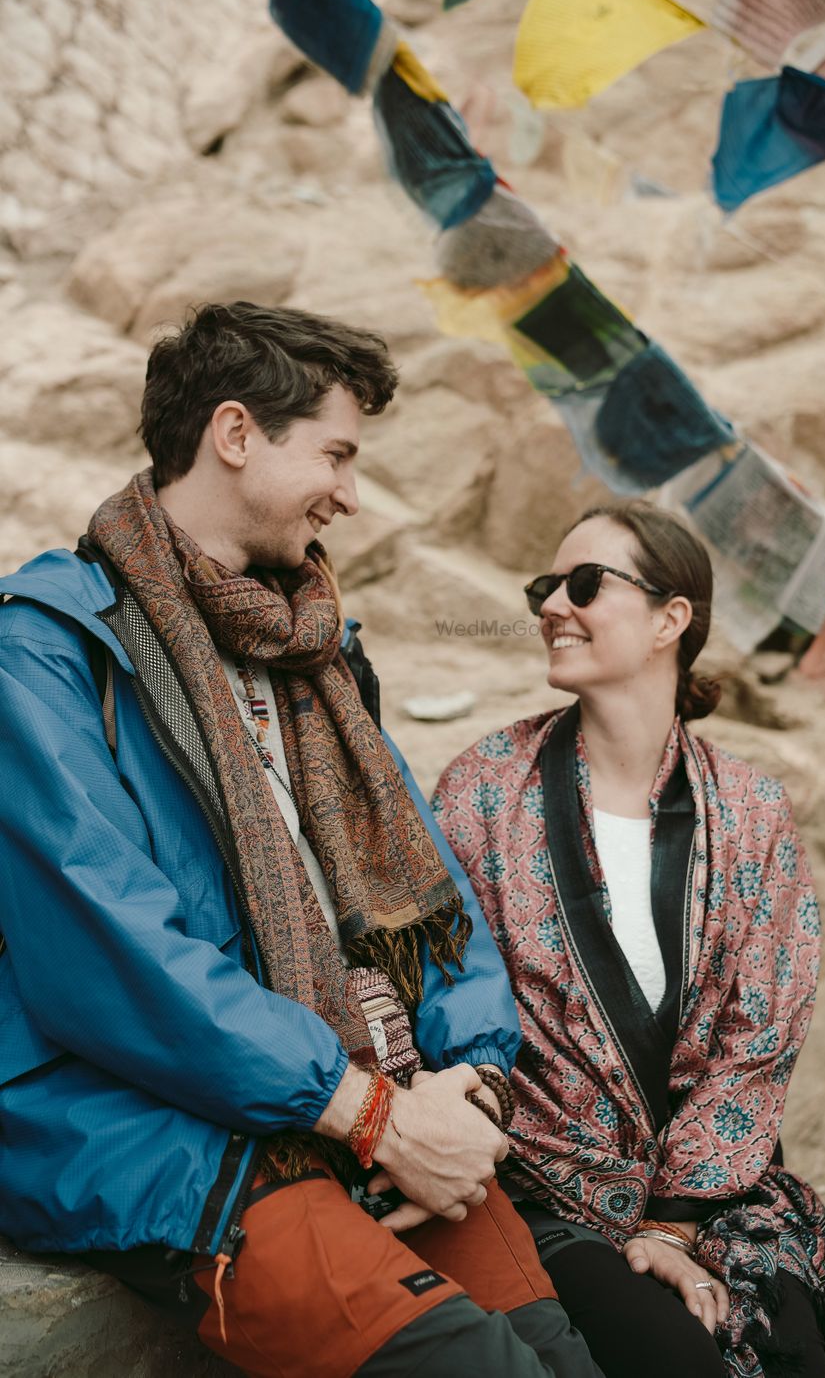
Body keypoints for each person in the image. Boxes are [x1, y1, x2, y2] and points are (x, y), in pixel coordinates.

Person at [0, 302, 603, 1378]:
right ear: (236, 435)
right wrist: (367, 1113)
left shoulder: (315, 647)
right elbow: (105, 949)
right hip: (159, 1128)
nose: (352, 495)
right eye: (334, 453)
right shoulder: (44, 651)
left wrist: (469, 1076)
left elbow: (431, 886)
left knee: (556, 1350)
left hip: (361, 1093)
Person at [432, 500, 825, 1378]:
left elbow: (761, 1036)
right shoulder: (481, 790)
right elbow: (442, 990)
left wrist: (674, 1221)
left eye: (585, 585)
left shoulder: (750, 810)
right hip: (541, 1189)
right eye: (546, 587)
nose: (552, 606)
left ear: (671, 619)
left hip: (708, 1191)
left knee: (790, 1356)